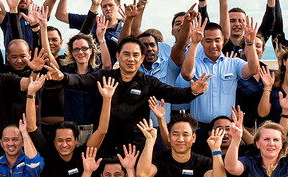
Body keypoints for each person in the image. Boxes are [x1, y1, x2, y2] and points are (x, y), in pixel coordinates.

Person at [63, 35, 208, 155]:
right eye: (126, 54)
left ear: (142, 58)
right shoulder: (105, 77)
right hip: (106, 145)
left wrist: (192, 91)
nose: (131, 59)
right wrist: (63, 77)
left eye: (135, 55)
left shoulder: (148, 82)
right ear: (118, 56)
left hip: (135, 147)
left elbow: (172, 94)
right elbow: (81, 80)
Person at [178, 15, 260, 130]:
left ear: (223, 41)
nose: (213, 45)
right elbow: (186, 74)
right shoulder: (195, 63)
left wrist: (250, 44)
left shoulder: (233, 63)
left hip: (226, 128)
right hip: (199, 127)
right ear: (202, 42)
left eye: (217, 40)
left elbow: (253, 69)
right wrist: (194, 43)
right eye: (208, 41)